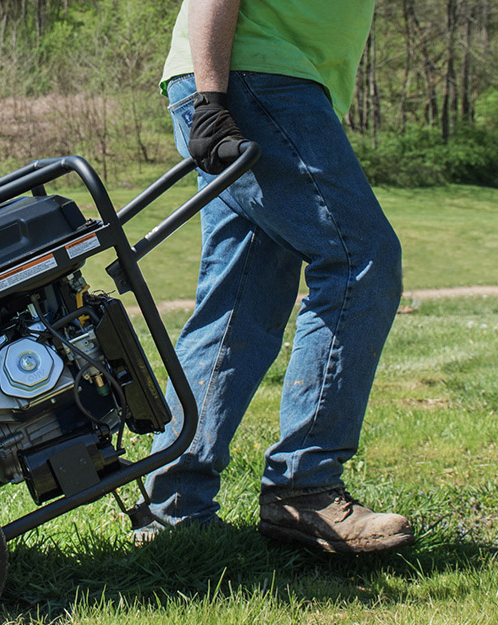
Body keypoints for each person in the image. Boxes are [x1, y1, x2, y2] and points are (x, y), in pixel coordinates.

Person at [134, 0, 414, 553]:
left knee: (242, 293)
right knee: (360, 260)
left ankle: (173, 507)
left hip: (245, 75)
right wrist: (213, 99)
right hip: (254, 76)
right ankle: (303, 487)